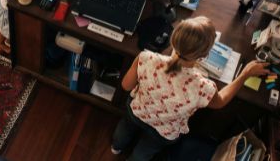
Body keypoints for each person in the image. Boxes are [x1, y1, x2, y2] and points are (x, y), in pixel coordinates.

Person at [111, 16, 269, 160]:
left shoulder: (146, 58)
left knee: (124, 129)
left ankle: (116, 148)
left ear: (173, 39)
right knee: (144, 151)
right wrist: (245, 74)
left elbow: (126, 85)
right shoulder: (203, 87)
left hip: (137, 111)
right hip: (164, 131)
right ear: (205, 56)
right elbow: (220, 102)